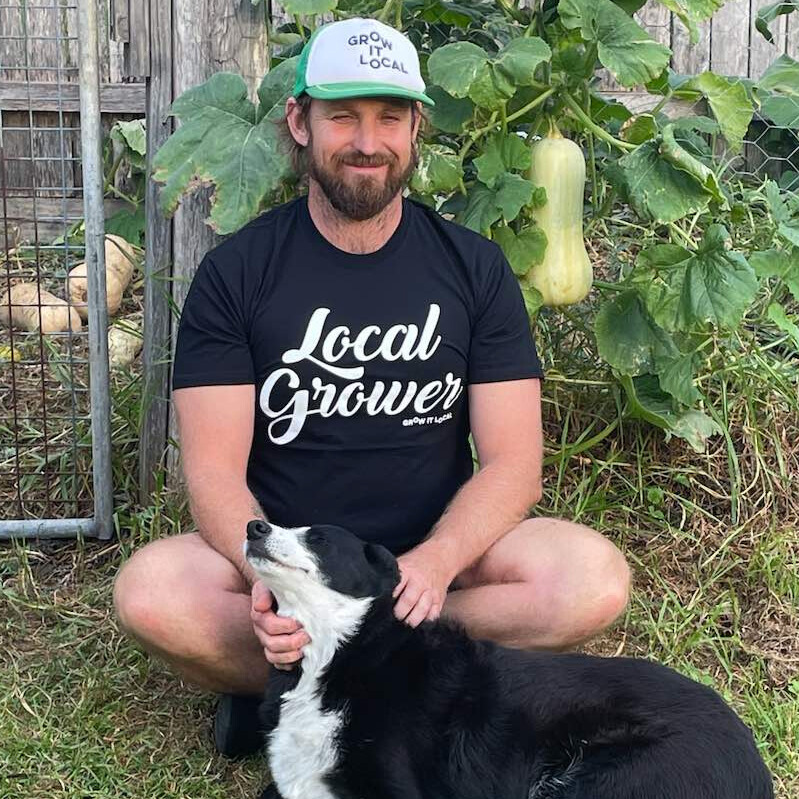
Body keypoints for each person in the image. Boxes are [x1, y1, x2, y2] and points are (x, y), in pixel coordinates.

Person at [113, 16, 630, 758]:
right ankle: (357, 687)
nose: (366, 141)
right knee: (152, 591)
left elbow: (514, 464)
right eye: (342, 117)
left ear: (416, 127)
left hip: (429, 562)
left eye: (389, 118)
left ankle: (307, 694)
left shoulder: (473, 268)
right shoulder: (237, 274)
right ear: (300, 121)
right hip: (296, 555)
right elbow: (214, 471)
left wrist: (438, 558)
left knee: (590, 578)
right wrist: (267, 577)